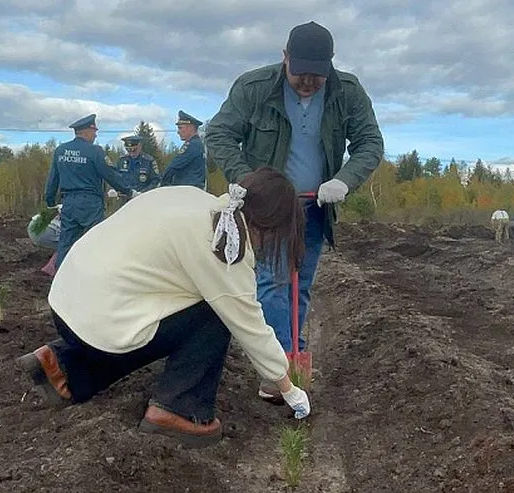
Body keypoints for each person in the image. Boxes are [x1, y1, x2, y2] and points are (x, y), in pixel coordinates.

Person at [16, 167, 312, 449]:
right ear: (269, 225)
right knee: (215, 315)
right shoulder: (223, 241)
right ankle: (180, 410)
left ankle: (63, 365)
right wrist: (287, 386)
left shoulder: (193, 198)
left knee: (154, 316)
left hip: (68, 302)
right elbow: (249, 326)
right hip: (103, 320)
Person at [205, 21, 384, 402]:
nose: (307, 82)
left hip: (315, 206)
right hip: (268, 208)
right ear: (285, 57)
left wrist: (344, 180)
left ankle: (291, 356)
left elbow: (370, 141)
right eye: (300, 73)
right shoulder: (253, 88)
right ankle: (277, 371)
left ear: (329, 67)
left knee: (300, 286)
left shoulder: (347, 91)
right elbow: (219, 132)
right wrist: (243, 177)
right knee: (271, 282)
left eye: (317, 76)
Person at [44, 114, 134, 268]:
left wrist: (50, 201)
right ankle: (92, 276)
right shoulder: (95, 151)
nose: (96, 135)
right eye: (94, 131)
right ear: (86, 131)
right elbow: (109, 174)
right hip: (90, 203)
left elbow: (53, 178)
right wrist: (128, 191)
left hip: (69, 202)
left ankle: (62, 278)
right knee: (94, 240)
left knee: (66, 243)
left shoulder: (61, 151)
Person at [107, 134, 160, 207]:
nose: (131, 152)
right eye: (128, 150)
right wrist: (113, 189)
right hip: (124, 200)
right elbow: (116, 177)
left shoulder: (149, 161)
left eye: (134, 150)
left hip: (143, 200)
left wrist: (142, 193)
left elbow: (156, 181)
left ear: (140, 146)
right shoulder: (122, 161)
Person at [159, 111, 206, 189]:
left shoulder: (192, 145)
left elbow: (173, 166)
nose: (178, 132)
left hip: (186, 190)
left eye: (180, 128)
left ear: (190, 127)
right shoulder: (199, 144)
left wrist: (163, 185)